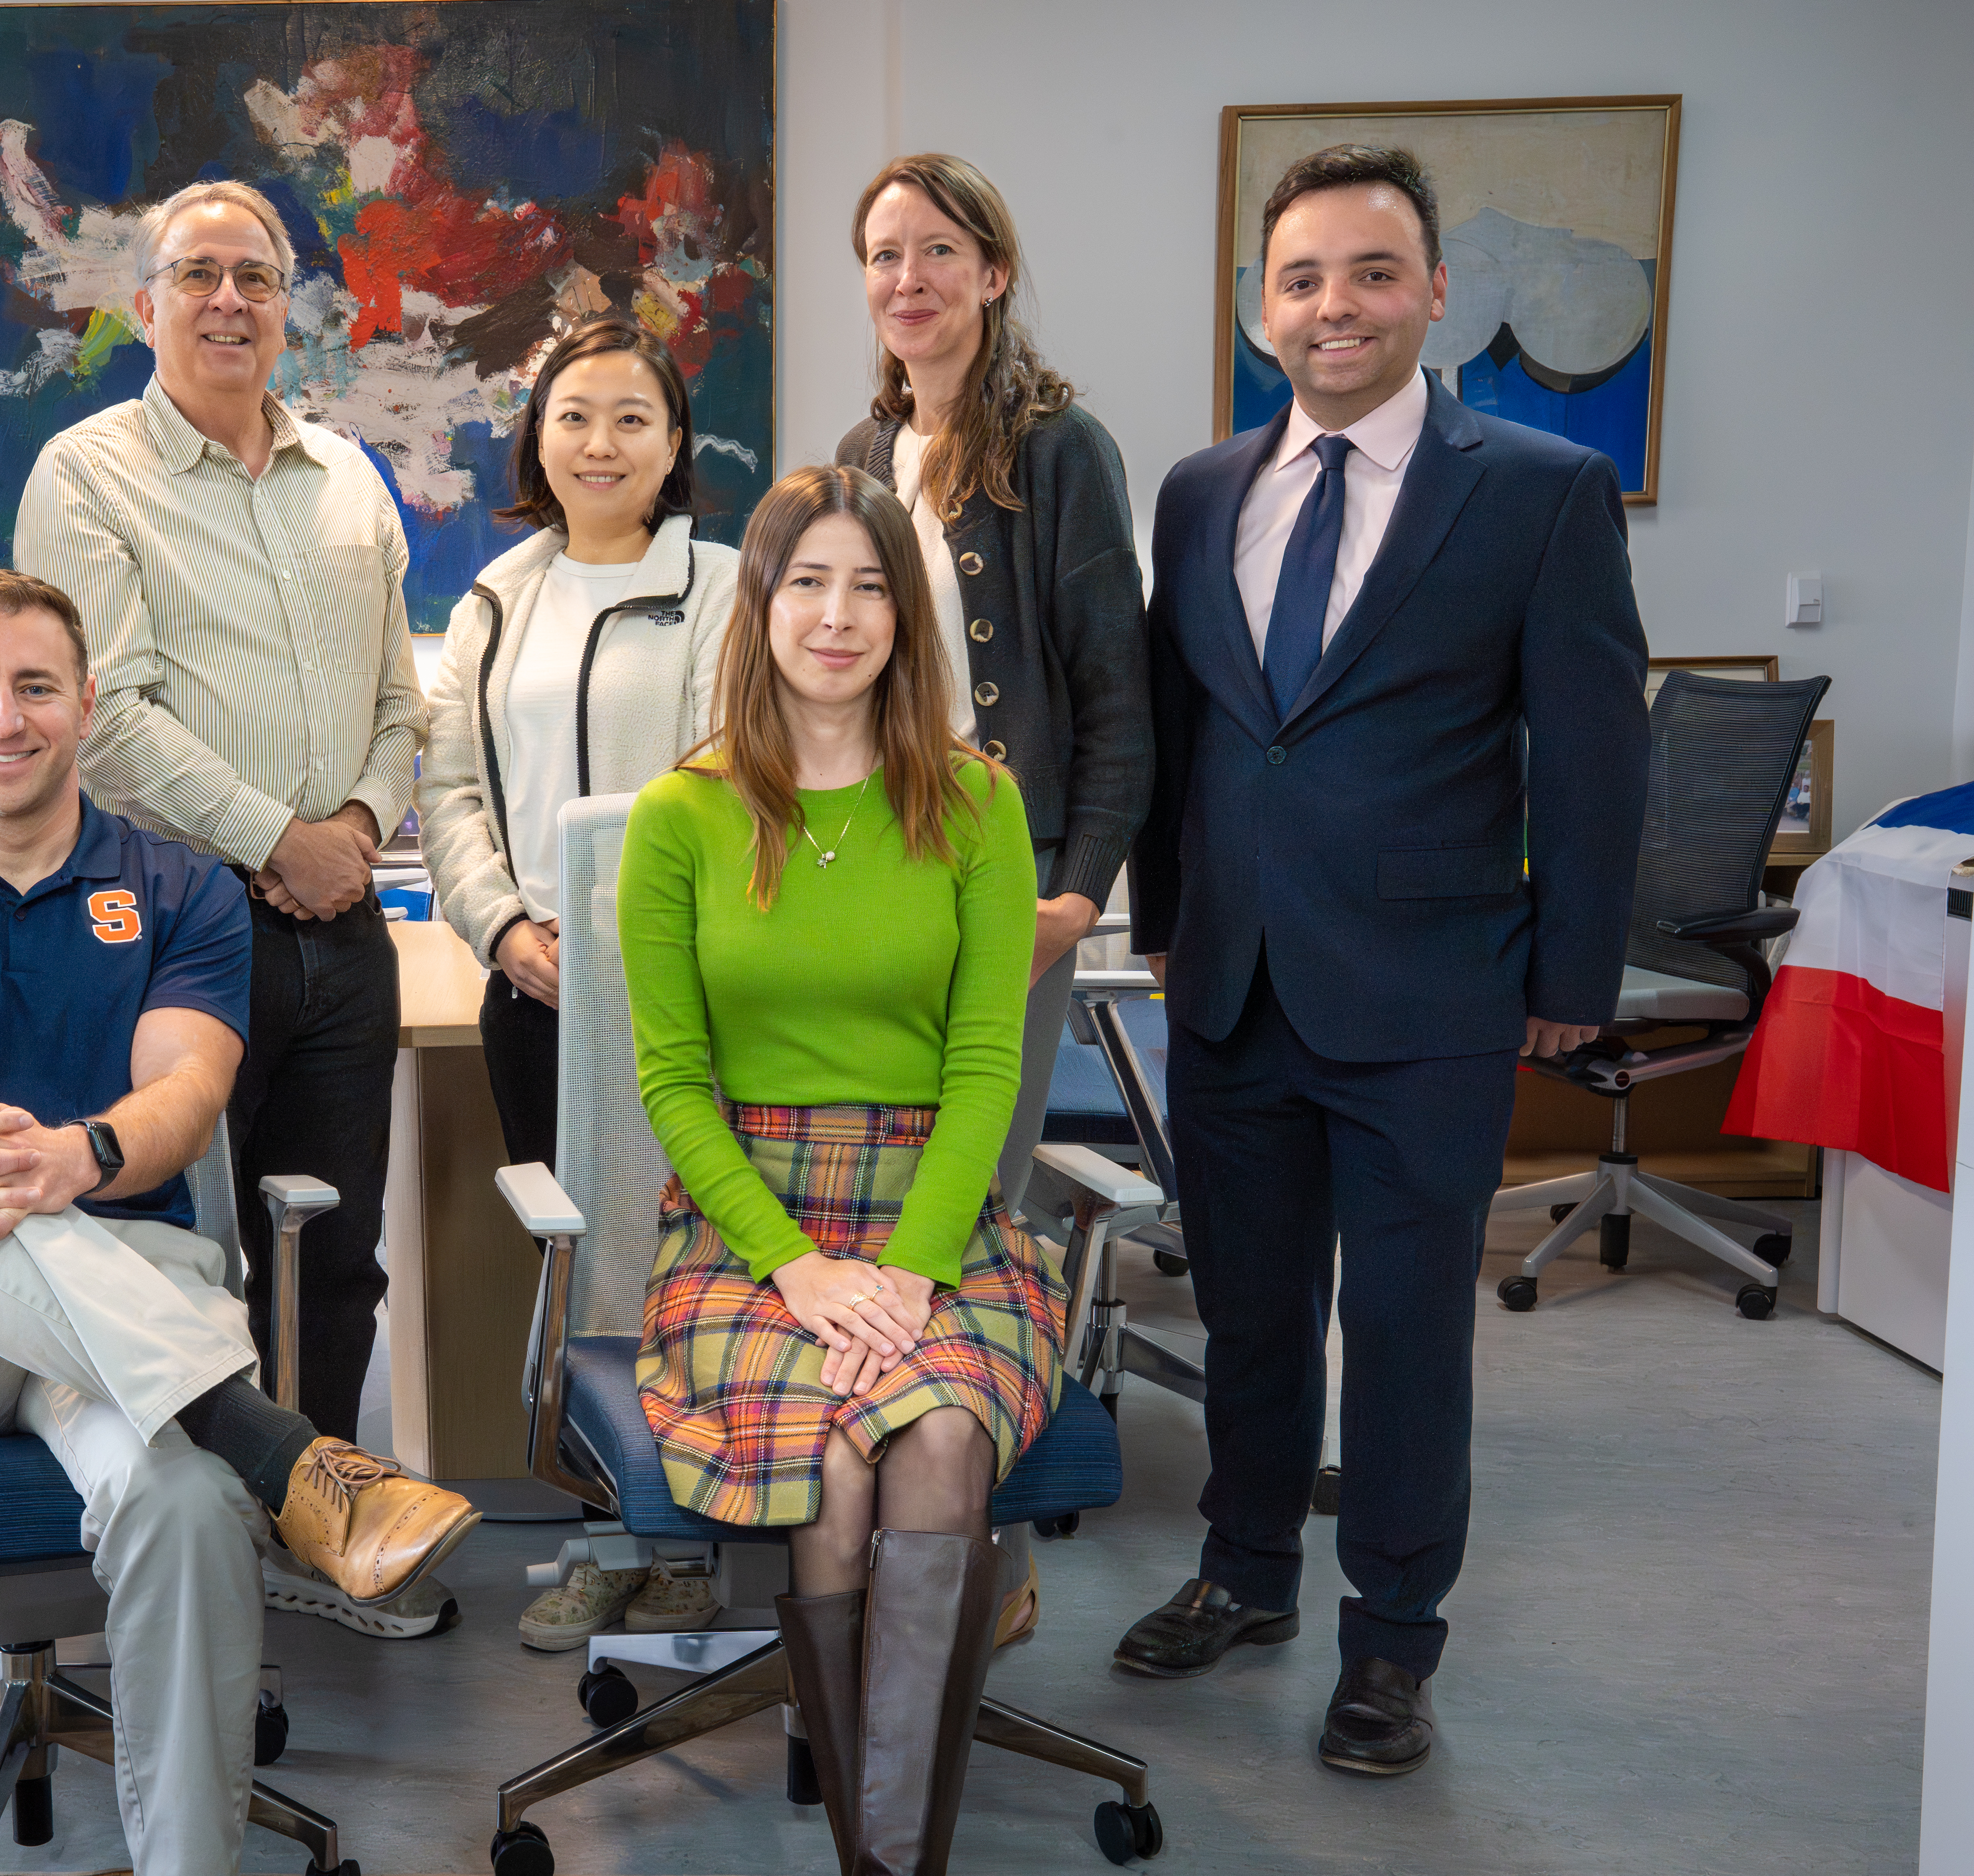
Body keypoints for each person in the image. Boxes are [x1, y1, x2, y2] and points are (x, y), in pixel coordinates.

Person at [0, 569, 477, 1876]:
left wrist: (75, 1154)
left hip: (107, 1315)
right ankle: (275, 1446)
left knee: (185, 1504)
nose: (5, 719)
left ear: (89, 705)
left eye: (36, 688)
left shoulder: (182, 889)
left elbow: (188, 1093)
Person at [1119, 145, 1648, 1775]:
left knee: (1410, 1334)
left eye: (1369, 272)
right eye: (1301, 278)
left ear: (1433, 292)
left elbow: (1592, 754)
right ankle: (1246, 1572)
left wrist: (1570, 980)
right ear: (1260, 307)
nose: (1333, 305)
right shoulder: (1202, 489)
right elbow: (1183, 728)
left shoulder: (1538, 488)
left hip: (1430, 994)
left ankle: (1394, 1643)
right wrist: (1162, 920)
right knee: (1252, 1315)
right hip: (1232, 984)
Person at [619, 465, 1067, 1876]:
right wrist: (801, 1268)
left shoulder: (978, 805)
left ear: (906, 616)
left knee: (938, 1438)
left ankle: (890, 1856)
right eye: (807, 581)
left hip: (937, 1214)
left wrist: (914, 1269)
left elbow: (984, 1068)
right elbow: (673, 1086)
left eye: (872, 586)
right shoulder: (681, 816)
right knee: (827, 1450)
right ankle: (877, 1831)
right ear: (759, 603)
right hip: (750, 1230)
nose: (838, 615)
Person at [13, 179, 429, 1632]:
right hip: (176, 927)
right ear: (146, 305)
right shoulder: (87, 474)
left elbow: (401, 701)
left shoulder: (348, 478)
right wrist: (276, 839)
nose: (230, 301)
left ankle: (328, 1525)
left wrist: (353, 832)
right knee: (183, 1250)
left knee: (336, 1250)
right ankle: (200, 1537)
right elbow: (106, 713)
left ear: (289, 303)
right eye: (198, 275)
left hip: (345, 931)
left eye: (256, 275)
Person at [419, 315, 739, 1650]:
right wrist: (501, 928)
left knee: (692, 1260)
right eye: (574, 417)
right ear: (536, 443)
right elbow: (450, 790)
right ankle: (614, 1531)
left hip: (687, 989)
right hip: (534, 989)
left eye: (631, 419)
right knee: (579, 1262)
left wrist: (620, 948)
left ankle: (699, 1544)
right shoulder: (496, 600)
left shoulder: (724, 587)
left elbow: (730, 774)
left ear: (674, 446)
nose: (600, 444)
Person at [839, 153, 1152, 1218]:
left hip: (1010, 868)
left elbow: (1119, 699)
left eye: (939, 251)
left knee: (971, 1192)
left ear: (994, 273)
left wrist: (1077, 898)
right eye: (885, 255)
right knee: (874, 1172)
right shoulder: (864, 454)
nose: (909, 279)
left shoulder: (1062, 453)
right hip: (876, 857)